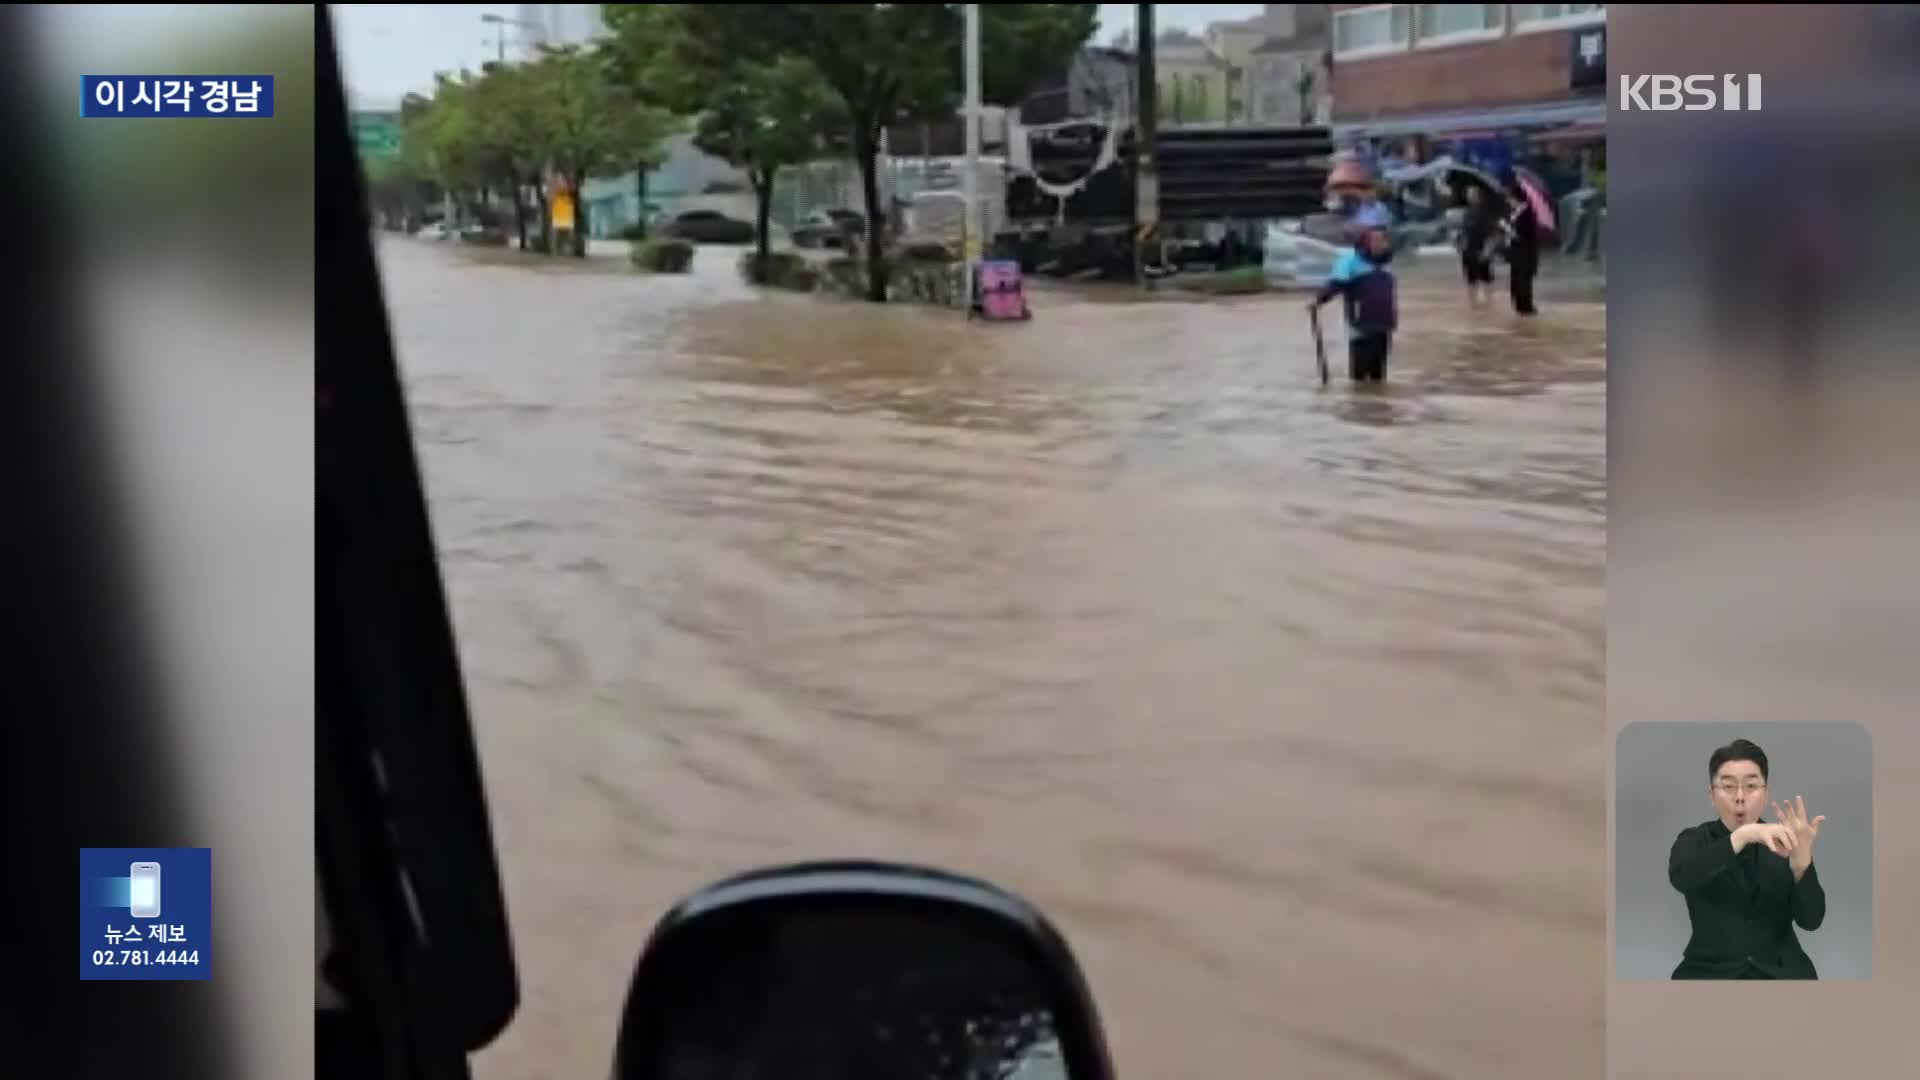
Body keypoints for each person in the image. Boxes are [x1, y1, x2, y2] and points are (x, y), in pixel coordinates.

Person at [1667, 738, 1828, 980]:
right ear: (1711, 795)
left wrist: (1802, 861)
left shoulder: (1786, 841)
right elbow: (1683, 876)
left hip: (1782, 973)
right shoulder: (1694, 840)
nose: (1740, 797)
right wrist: (1745, 834)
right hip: (1710, 973)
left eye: (1751, 786)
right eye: (1728, 787)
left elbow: (1811, 920)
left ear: (1766, 794)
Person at [1310, 224, 1397, 384]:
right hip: (1360, 322)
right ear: (1365, 243)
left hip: (1384, 323)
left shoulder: (1387, 261)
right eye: (1375, 240)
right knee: (1360, 373)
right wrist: (1319, 300)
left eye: (1383, 240)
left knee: (1379, 373)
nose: (1380, 243)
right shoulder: (1350, 261)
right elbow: (1336, 284)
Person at [1499, 172, 1540, 316]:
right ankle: (1518, 305)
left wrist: (1509, 230)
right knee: (1515, 280)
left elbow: (1524, 234)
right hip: (1515, 252)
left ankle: (1526, 307)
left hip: (1525, 252)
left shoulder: (1527, 212)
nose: (1508, 200)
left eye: (1510, 197)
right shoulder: (1513, 212)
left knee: (1524, 280)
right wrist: (1505, 227)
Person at [1457, 184, 1497, 308]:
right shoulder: (1467, 213)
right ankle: (1472, 304)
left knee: (1486, 278)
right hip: (1468, 251)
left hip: (1481, 250)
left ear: (1479, 197)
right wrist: (1460, 245)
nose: (1470, 197)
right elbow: (1463, 232)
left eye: (1473, 195)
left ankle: (1489, 303)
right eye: (1469, 195)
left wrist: (1487, 250)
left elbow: (1492, 234)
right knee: (1470, 279)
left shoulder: (1485, 213)